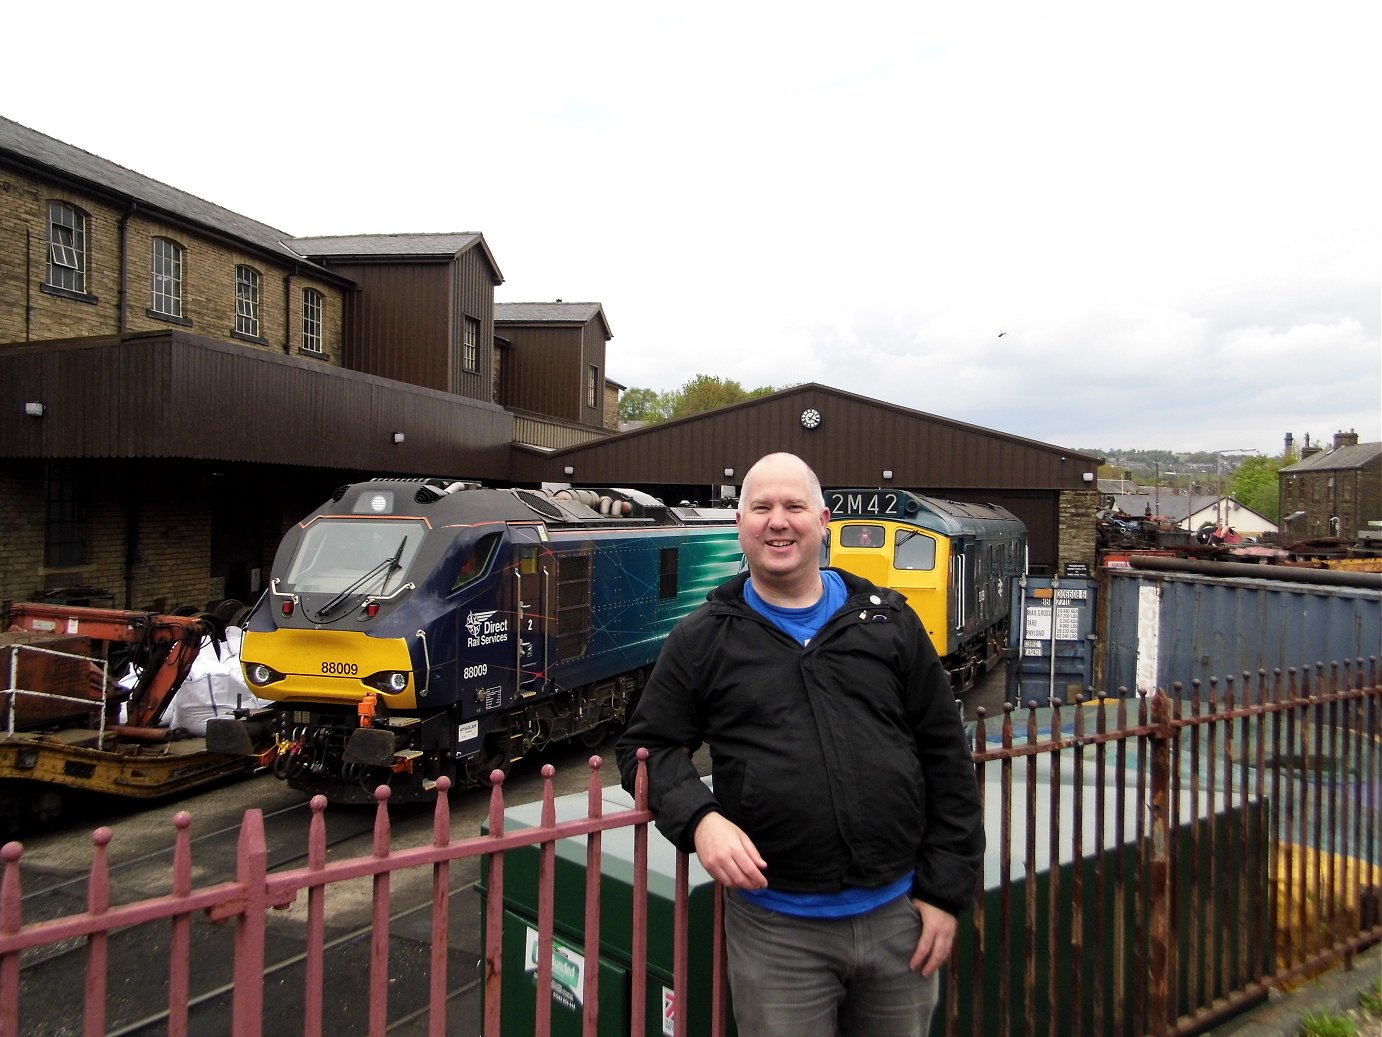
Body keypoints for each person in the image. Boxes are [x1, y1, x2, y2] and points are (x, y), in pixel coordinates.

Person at [615, 452, 984, 1037]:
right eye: (760, 507)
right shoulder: (703, 639)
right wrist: (701, 819)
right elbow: (648, 748)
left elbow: (944, 757)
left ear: (824, 520)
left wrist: (945, 890)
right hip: (776, 935)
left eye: (793, 506)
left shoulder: (887, 623)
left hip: (900, 920)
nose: (777, 521)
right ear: (740, 524)